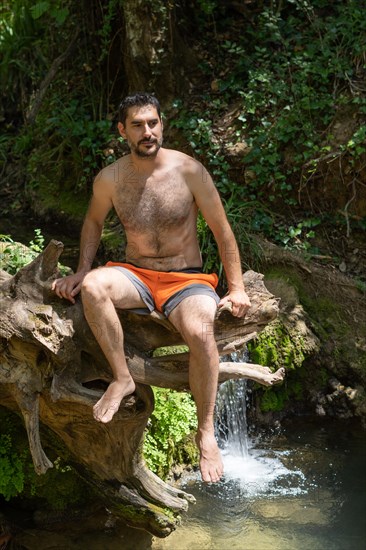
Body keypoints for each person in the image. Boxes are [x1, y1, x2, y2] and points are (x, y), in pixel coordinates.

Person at [52, 92, 251, 483]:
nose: (148, 131)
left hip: (187, 279)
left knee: (200, 331)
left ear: (162, 124)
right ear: (122, 130)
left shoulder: (190, 170)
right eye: (139, 125)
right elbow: (92, 223)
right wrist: (81, 269)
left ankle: (206, 431)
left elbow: (221, 229)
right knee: (93, 286)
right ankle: (122, 377)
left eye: (153, 122)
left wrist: (238, 286)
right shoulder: (109, 178)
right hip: (136, 275)